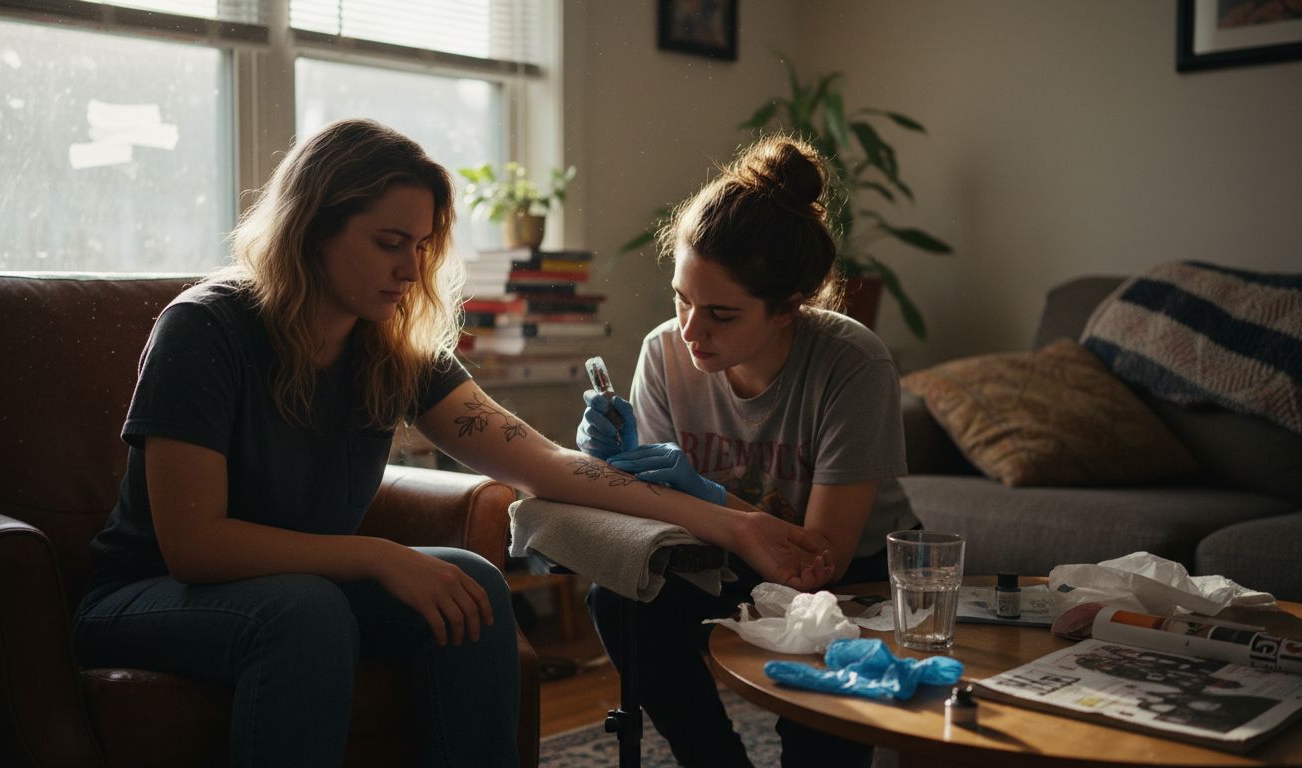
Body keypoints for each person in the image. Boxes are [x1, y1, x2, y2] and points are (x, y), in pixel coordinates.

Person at [73, 119, 835, 768]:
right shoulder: (205, 330)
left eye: (423, 245)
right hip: (150, 596)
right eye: (388, 243)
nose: (411, 270)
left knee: (470, 584)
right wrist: (379, 555)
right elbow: (194, 545)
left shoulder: (390, 348)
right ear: (313, 228)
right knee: (306, 611)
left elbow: (546, 465)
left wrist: (738, 524)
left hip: (302, 591)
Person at [577, 135, 918, 768]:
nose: (690, 330)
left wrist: (702, 493)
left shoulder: (852, 363)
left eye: (722, 314)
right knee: (619, 596)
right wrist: (616, 463)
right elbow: (653, 518)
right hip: (725, 554)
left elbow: (819, 560)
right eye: (681, 298)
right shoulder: (665, 353)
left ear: (788, 308)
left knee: (822, 742)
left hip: (852, 578)